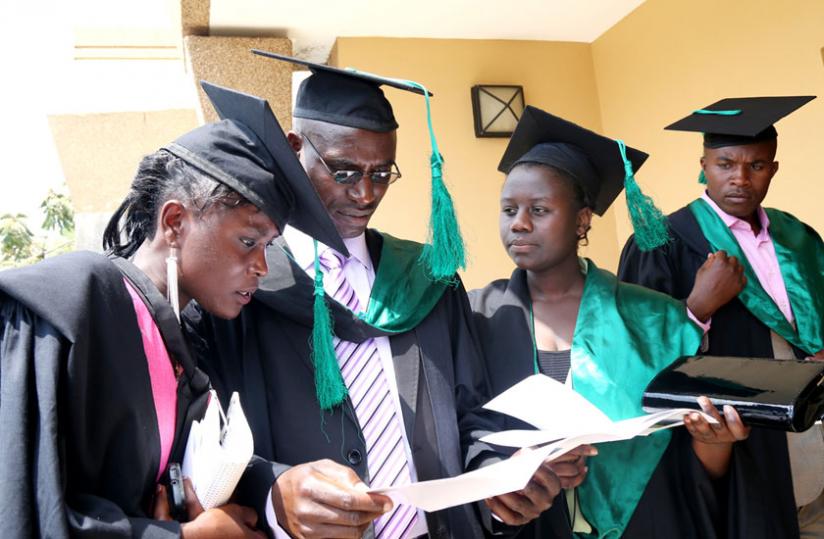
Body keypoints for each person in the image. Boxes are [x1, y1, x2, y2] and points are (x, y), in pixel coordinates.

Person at [185, 53, 564, 539]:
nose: (365, 193)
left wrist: (497, 475)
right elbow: (209, 435)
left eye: (382, 173)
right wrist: (274, 490)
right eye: (344, 172)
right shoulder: (243, 291)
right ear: (294, 149)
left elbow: (472, 410)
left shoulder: (428, 279)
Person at [0, 83, 346, 538]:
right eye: (248, 241)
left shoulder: (177, 346)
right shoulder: (73, 302)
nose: (262, 266)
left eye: (269, 246)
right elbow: (21, 504)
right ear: (175, 222)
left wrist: (282, 487)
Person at [470, 105, 749, 538]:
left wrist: (715, 442)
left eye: (539, 210)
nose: (519, 224)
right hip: (526, 526)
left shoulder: (653, 316)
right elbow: (464, 432)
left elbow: (691, 463)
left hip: (647, 522)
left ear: (583, 220)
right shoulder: (475, 317)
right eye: (509, 210)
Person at [619, 95, 824, 537]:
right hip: (733, 441)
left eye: (757, 165)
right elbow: (639, 356)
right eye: (725, 164)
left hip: (812, 438)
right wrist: (696, 306)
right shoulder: (662, 243)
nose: (741, 179)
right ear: (703, 165)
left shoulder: (800, 238)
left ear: (773, 168)